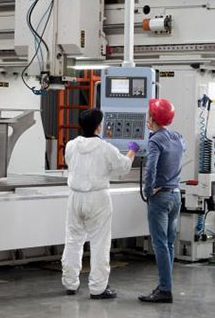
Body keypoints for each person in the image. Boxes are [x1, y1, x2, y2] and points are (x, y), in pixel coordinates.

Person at [61, 108, 139, 300]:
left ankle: (70, 283)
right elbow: (123, 166)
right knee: (100, 243)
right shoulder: (105, 148)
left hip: (75, 197)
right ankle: (97, 288)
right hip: (98, 198)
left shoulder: (71, 145)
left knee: (73, 240)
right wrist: (132, 151)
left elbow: (69, 162)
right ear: (98, 127)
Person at [138, 98, 185, 304]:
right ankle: (165, 285)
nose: (147, 119)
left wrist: (149, 191)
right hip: (176, 195)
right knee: (169, 243)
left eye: (149, 115)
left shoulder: (155, 140)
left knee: (160, 244)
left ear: (153, 118)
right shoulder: (178, 137)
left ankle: (165, 290)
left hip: (161, 197)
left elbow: (151, 168)